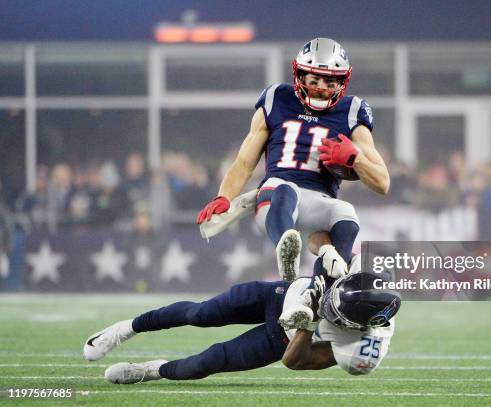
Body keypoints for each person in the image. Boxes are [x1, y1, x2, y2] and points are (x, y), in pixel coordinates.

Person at [83, 233, 400, 383]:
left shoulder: (363, 350)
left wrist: (308, 322)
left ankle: (150, 370)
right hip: (280, 294)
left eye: (336, 313)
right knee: (200, 313)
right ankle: (126, 328)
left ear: (357, 326)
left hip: (286, 339)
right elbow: (319, 233)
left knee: (205, 363)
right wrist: (327, 248)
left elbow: (296, 362)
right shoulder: (360, 265)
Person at [196, 38, 390, 282]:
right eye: (315, 79)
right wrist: (224, 196)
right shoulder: (277, 98)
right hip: (274, 199)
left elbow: (382, 183)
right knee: (286, 189)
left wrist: (355, 158)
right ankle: (285, 252)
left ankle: (325, 290)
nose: (321, 87)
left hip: (317, 201)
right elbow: (245, 162)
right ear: (300, 75)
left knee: (346, 213)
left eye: (330, 81)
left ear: (342, 81)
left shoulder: (352, 111)